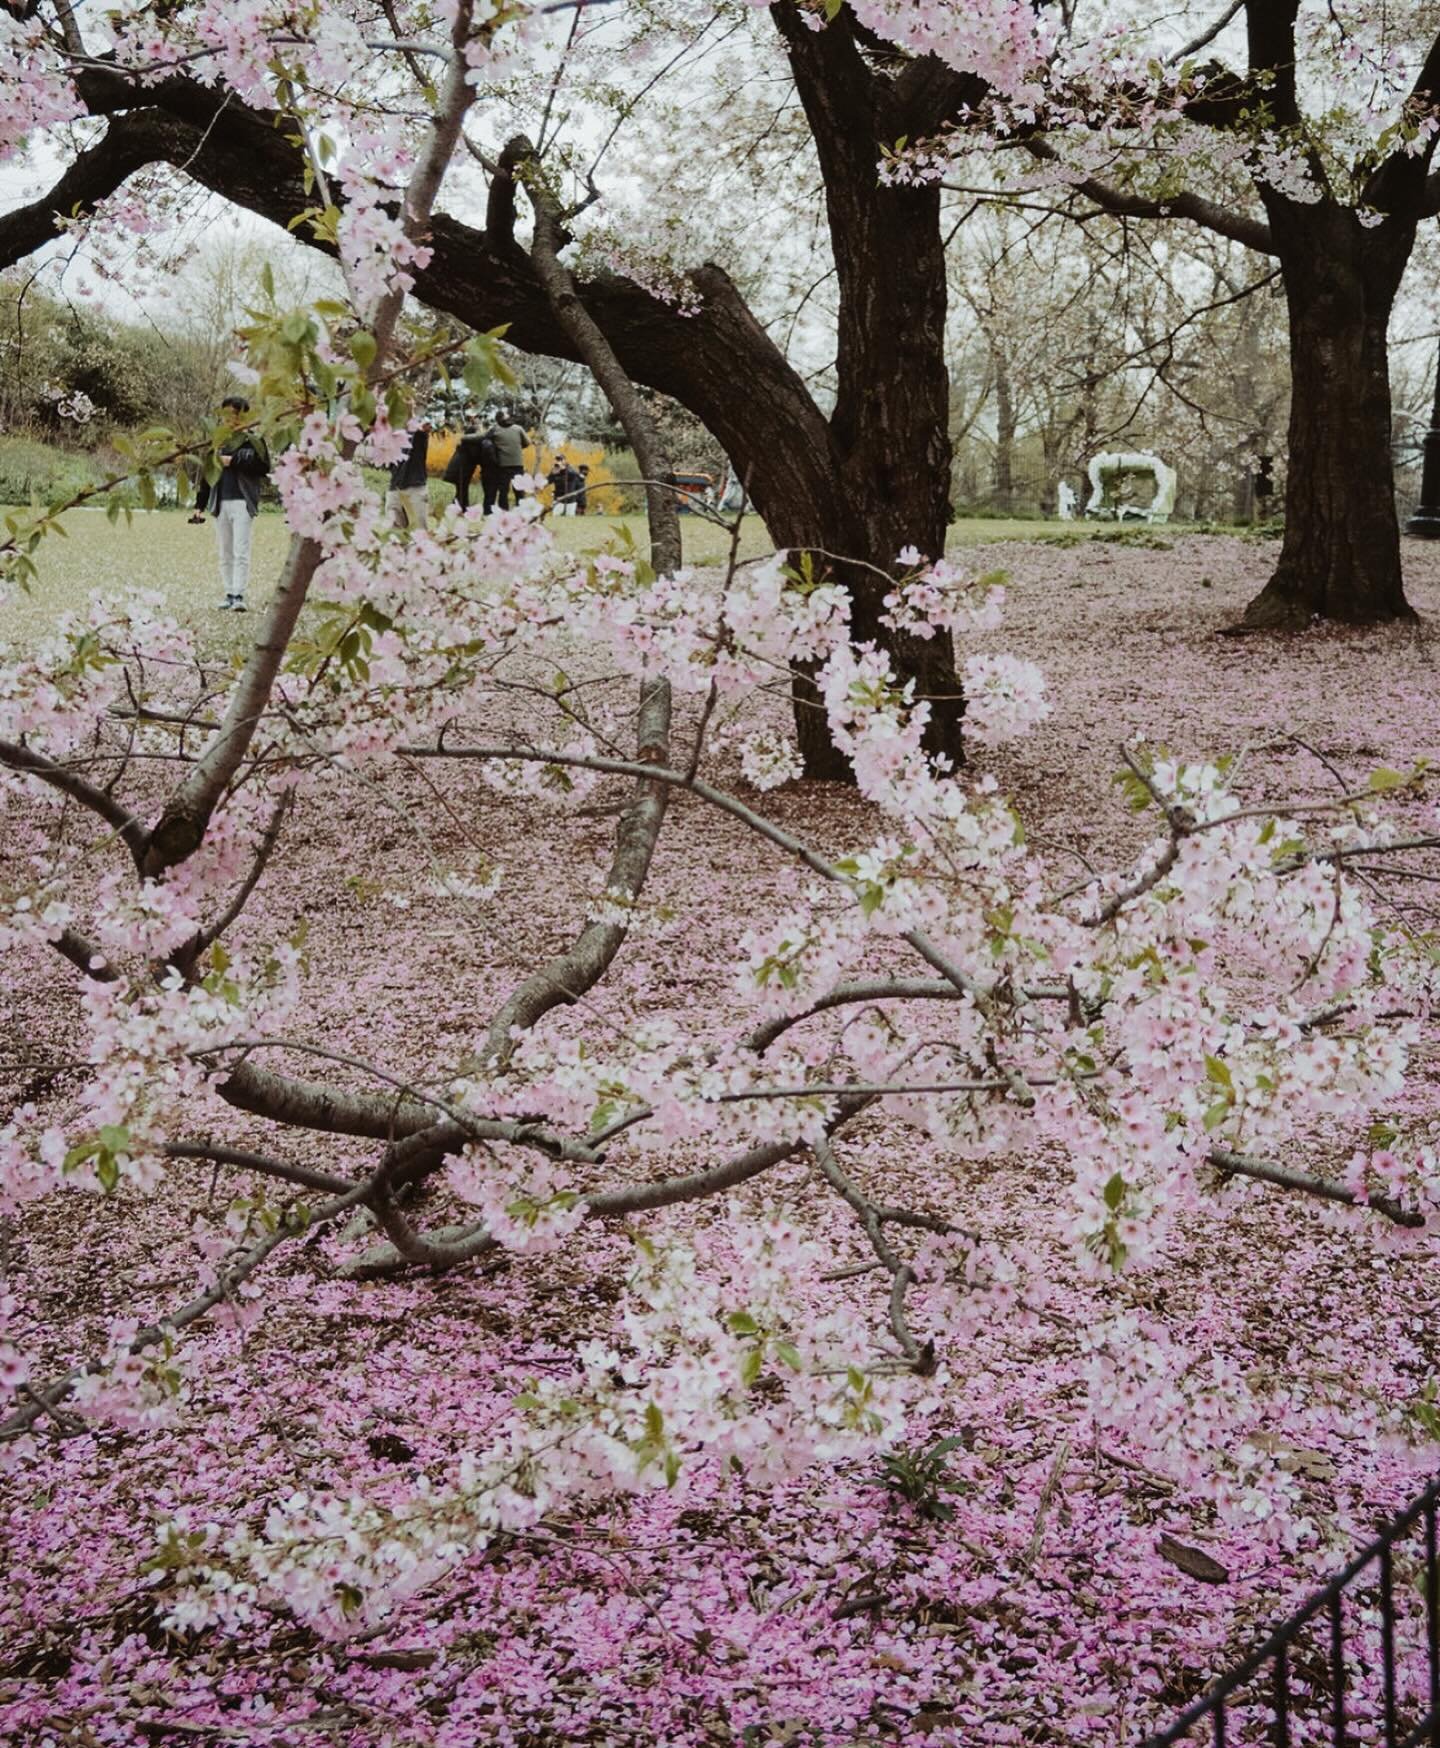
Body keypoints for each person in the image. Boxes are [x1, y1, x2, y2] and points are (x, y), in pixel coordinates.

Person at [187, 395, 270, 611]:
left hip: (243, 501)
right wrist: (199, 506)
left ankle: (238, 594)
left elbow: (263, 465)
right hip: (220, 501)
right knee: (225, 551)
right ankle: (228, 592)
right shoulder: (217, 442)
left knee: (241, 550)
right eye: (225, 415)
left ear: (242, 415)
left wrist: (234, 461)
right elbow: (207, 475)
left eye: (233, 414)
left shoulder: (252, 439)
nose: (229, 419)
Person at [480, 409, 527, 513]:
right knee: (519, 490)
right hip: (518, 464)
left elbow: (484, 440)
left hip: (503, 465)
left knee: (503, 491)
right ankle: (522, 513)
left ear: (497, 420)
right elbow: (527, 442)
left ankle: (504, 512)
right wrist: (517, 447)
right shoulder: (518, 428)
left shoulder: (495, 429)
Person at [387, 419, 430, 530]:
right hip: (394, 488)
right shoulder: (391, 433)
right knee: (394, 534)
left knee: (420, 533)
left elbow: (425, 427)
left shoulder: (418, 430)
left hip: (415, 487)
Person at [442, 419, 487, 511]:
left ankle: (460, 508)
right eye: (479, 429)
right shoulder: (470, 443)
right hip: (461, 469)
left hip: (459, 468)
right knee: (462, 489)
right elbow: (474, 456)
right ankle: (461, 508)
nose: (480, 430)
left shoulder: (466, 443)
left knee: (461, 489)